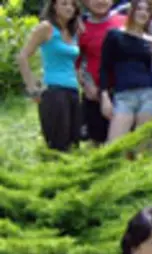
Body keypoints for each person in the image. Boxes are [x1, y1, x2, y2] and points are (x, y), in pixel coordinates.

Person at [17, 0, 82, 151]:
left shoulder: (72, 31)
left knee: (75, 144)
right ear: (54, 6)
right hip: (54, 91)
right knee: (59, 146)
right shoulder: (46, 28)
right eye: (64, 4)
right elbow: (23, 57)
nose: (69, 8)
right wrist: (32, 88)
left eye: (72, 4)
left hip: (73, 91)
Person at [99, 0, 152, 142]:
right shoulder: (115, 35)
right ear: (132, 11)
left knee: (142, 145)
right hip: (124, 96)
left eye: (147, 10)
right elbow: (105, 68)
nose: (143, 13)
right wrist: (105, 97)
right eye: (139, 9)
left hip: (148, 95)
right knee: (114, 144)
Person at [78, 0, 126, 144]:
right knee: (98, 141)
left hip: (125, 92)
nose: (100, 2)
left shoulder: (124, 21)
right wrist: (86, 84)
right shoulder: (81, 28)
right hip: (96, 94)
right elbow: (76, 61)